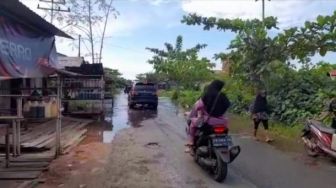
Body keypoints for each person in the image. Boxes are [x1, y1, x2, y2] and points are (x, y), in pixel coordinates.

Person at [186, 80, 231, 152]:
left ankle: (191, 143)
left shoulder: (208, 94)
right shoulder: (223, 96)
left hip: (208, 121)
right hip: (222, 121)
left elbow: (198, 106)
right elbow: (228, 105)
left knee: (192, 124)